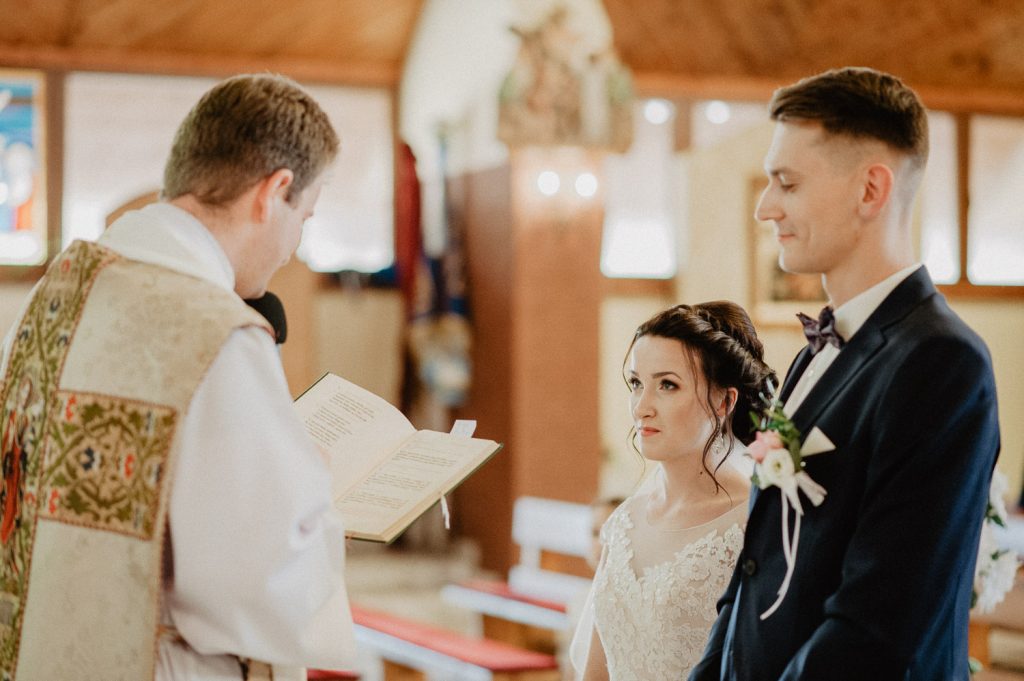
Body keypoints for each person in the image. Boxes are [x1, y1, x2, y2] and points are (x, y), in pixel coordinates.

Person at [0, 74, 357, 680]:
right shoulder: (215, 335)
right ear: (274, 192)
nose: (293, 247)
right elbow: (257, 590)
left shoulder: (57, 296)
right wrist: (313, 490)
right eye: (306, 217)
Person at [689, 67, 1001, 681]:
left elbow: (880, 624)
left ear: (870, 190)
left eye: (787, 182)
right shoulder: (814, 352)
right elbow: (755, 573)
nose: (764, 207)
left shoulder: (941, 362)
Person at [571, 301, 776, 679]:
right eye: (636, 383)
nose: (641, 407)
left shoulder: (753, 523)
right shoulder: (623, 523)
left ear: (724, 401)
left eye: (667, 385)